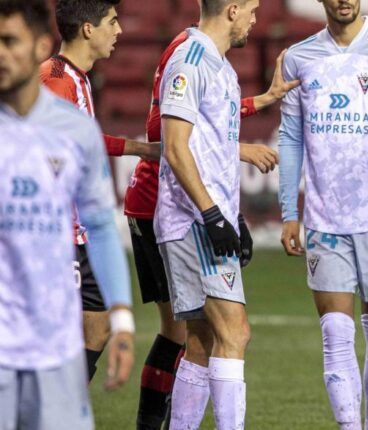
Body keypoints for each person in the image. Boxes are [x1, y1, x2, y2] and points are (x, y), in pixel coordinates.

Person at [129, 24, 296, 430]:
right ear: (234, 10)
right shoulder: (187, 57)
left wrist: (229, 211)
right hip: (185, 214)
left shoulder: (217, 64)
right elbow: (168, 135)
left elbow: (210, 122)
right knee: (232, 332)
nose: (256, 20)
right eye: (252, 10)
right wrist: (213, 213)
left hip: (190, 211)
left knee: (199, 340)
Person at [279, 0, 368, 428]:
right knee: (336, 337)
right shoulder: (297, 58)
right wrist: (290, 210)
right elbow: (290, 138)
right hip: (324, 221)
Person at [0, 0, 135, 428]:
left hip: (53, 345)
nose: (1, 53)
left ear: (39, 44)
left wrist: (125, 318)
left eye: (9, 42)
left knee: (93, 330)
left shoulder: (70, 123)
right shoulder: (56, 80)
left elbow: (101, 224)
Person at [38, 0, 159, 384]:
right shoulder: (55, 78)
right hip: (57, 236)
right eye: (112, 21)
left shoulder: (77, 77)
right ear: (88, 29)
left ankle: (62, 405)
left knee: (98, 323)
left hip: (79, 232)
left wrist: (139, 148)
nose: (119, 30)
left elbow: (84, 138)